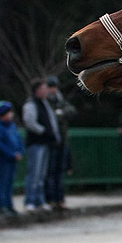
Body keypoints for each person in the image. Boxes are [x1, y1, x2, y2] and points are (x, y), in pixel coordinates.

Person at [22, 78, 60, 211]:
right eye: (44, 88)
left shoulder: (45, 103)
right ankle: (30, 200)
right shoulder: (31, 104)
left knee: (42, 174)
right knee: (34, 174)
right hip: (36, 143)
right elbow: (29, 122)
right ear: (37, 90)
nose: (47, 91)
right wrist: (44, 131)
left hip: (45, 143)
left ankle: (40, 199)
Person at [45, 75, 76, 210]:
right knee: (50, 172)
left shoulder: (60, 100)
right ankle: (50, 199)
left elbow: (72, 110)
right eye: (51, 87)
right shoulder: (46, 101)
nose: (53, 90)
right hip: (51, 142)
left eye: (55, 87)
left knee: (60, 171)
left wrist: (60, 112)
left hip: (62, 141)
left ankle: (60, 199)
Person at [0, 100, 24, 217]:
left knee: (10, 183)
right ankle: (2, 205)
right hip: (4, 159)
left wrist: (20, 151)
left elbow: (19, 140)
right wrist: (11, 153)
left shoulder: (12, 126)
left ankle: (9, 205)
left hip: (13, 158)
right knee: (3, 183)